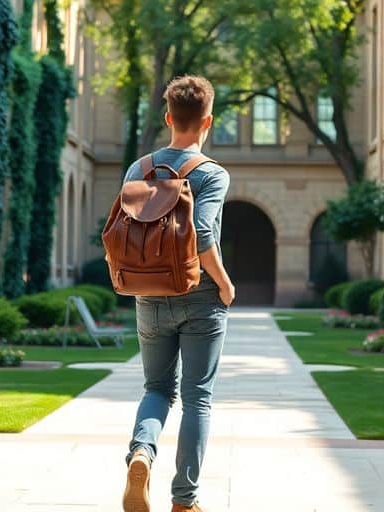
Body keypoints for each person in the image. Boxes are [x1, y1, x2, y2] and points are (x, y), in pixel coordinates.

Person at [121, 75, 234, 512]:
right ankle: (184, 501)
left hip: (148, 294)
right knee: (197, 398)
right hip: (201, 297)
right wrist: (224, 284)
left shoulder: (139, 169)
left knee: (156, 388)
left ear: (168, 117)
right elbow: (203, 234)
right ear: (207, 121)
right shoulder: (211, 174)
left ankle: (141, 454)